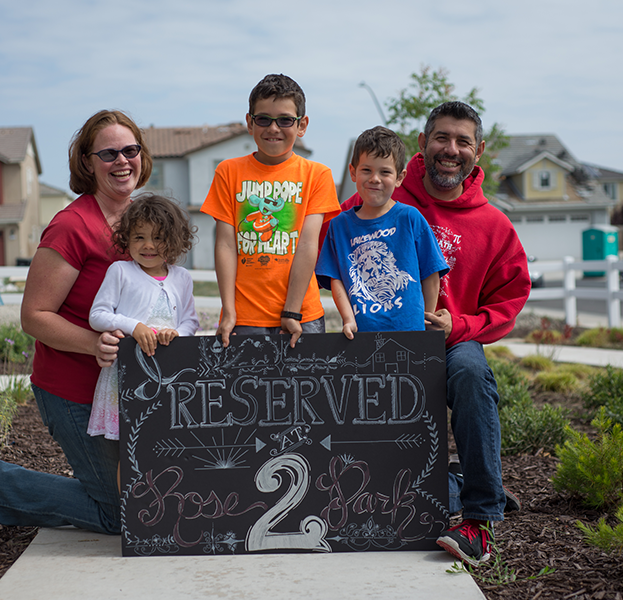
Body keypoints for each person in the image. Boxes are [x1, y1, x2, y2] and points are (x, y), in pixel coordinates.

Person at [334, 102, 531, 566]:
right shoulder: (381, 191)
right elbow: (328, 241)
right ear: (423, 143)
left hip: (451, 341)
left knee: (470, 372)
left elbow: (509, 300)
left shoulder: (493, 225)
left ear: (479, 151)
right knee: (391, 488)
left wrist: (459, 325)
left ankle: (480, 520)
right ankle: (464, 481)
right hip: (378, 343)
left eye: (463, 141)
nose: (451, 149)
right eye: (442, 137)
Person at [0, 109, 153, 534]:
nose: (122, 161)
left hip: (129, 392)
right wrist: (93, 343)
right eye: (108, 153)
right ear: (87, 162)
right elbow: (34, 316)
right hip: (75, 392)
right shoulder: (73, 225)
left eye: (130, 150)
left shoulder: (143, 223)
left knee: (147, 496)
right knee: (122, 513)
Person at [201, 73, 340, 349]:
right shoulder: (227, 172)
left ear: (302, 125)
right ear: (250, 123)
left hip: (302, 314)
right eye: (263, 119)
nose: (273, 128)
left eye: (285, 120)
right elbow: (226, 245)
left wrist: (292, 311)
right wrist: (229, 311)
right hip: (244, 317)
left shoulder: (317, 175)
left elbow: (307, 245)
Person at [315, 126, 448, 338]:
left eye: (385, 172)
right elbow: (335, 279)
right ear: (353, 172)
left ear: (399, 177)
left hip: (410, 333)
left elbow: (431, 273)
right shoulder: (339, 226)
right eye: (366, 170)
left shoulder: (410, 218)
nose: (375, 179)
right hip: (360, 336)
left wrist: (425, 320)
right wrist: (348, 319)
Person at [87, 194, 198, 442]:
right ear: (126, 238)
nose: (148, 245)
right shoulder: (120, 271)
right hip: (127, 374)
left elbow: (190, 320)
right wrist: (134, 326)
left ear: (174, 240)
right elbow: (97, 315)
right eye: (139, 237)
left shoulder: (182, 278)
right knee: (128, 443)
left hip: (168, 372)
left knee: (161, 438)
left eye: (158, 238)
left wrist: (178, 334)